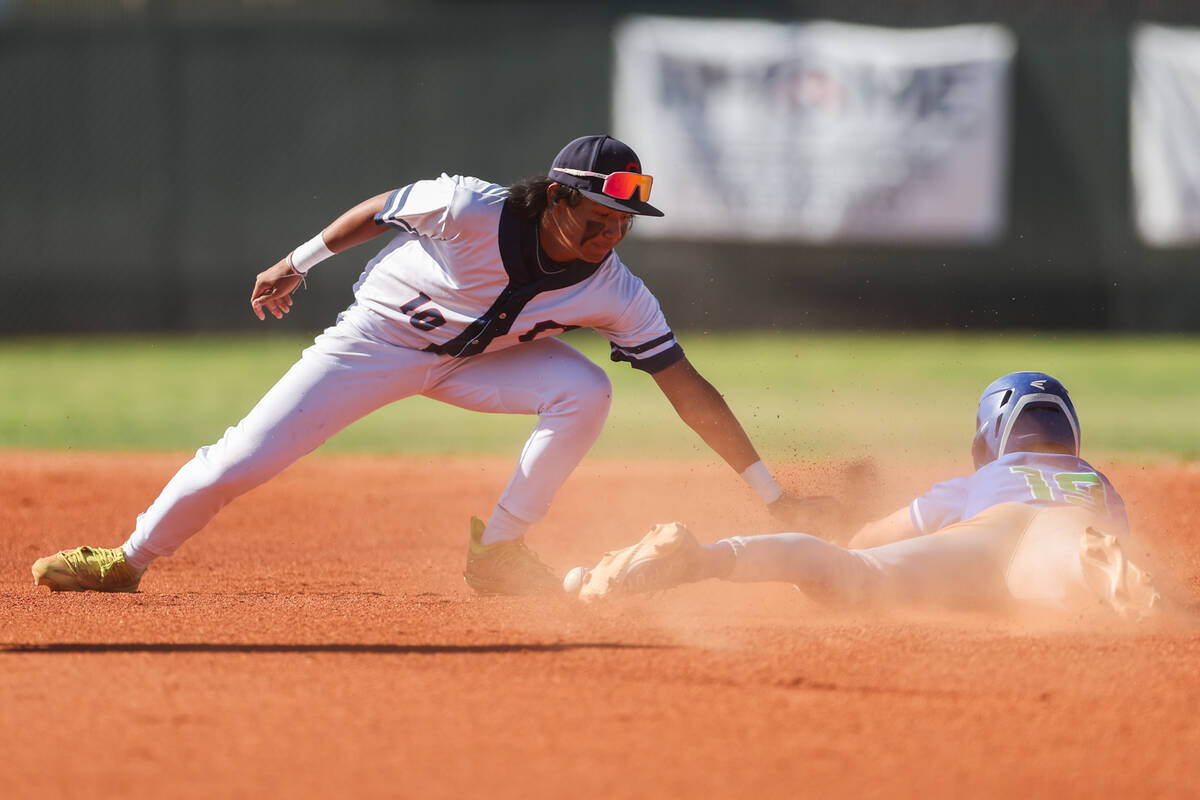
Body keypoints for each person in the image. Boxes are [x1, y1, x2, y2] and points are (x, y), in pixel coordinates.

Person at [32, 134, 822, 596]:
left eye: (624, 221)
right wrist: (296, 261)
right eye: (598, 215)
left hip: (475, 363)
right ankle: (127, 560)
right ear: (556, 197)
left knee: (584, 387)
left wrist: (770, 492)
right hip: (376, 343)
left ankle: (500, 552)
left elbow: (687, 388)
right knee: (240, 460)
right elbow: (382, 209)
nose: (609, 234)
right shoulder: (470, 207)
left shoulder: (615, 290)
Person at [569, 371, 1165, 621]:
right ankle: (1101, 573)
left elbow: (869, 539)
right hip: (1070, 532)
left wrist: (856, 530)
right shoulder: (1097, 483)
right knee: (1091, 582)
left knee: (856, 572)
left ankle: (705, 558)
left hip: (985, 536)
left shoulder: (973, 484)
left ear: (990, 441)